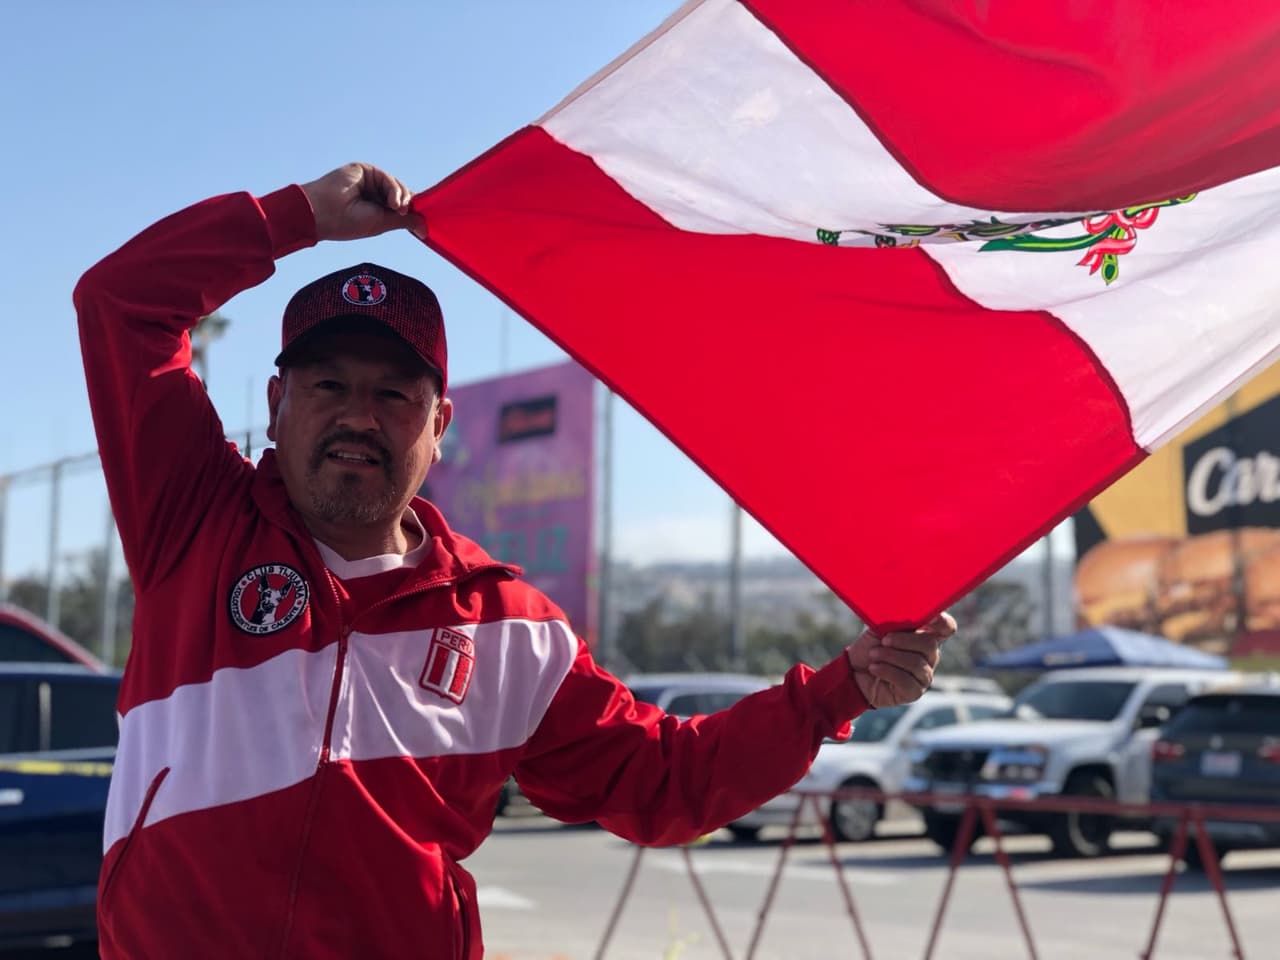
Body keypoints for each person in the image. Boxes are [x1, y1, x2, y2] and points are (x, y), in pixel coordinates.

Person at [75, 162, 954, 959]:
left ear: (439, 428)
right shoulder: (192, 519)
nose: (358, 416)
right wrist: (294, 217)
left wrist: (844, 689)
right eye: (328, 387)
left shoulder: (509, 628)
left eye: (393, 395)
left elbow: (663, 783)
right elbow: (120, 302)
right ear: (275, 404)